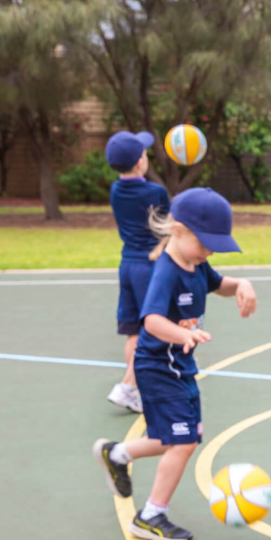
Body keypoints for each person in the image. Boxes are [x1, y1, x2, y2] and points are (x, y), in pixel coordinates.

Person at [93, 188, 258, 540]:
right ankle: (151, 516)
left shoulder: (195, 263)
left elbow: (220, 285)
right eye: (206, 243)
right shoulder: (166, 272)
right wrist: (183, 334)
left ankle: (117, 454)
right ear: (179, 230)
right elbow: (151, 320)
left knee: (180, 436)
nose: (210, 251)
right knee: (183, 441)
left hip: (179, 366)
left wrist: (242, 284)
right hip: (157, 367)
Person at [104, 130, 169, 414]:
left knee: (134, 331)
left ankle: (137, 388)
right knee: (152, 330)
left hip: (127, 264)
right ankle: (128, 386)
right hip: (149, 265)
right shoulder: (155, 192)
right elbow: (166, 227)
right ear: (140, 162)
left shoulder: (115, 190)